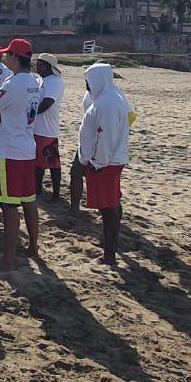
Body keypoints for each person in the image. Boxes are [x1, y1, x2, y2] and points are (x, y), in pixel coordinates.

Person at [0, 38, 42, 270]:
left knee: (9, 205)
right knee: (29, 201)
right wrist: (3, 116)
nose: (4, 57)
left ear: (16, 57)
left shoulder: (13, 83)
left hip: (11, 151)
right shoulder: (34, 82)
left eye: (7, 54)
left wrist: (0, 116)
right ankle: (33, 246)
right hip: (27, 146)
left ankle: (8, 257)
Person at [78, 63, 132, 267]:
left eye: (88, 82)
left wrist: (96, 162)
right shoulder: (113, 97)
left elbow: (105, 135)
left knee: (107, 208)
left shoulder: (106, 103)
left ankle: (109, 254)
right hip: (111, 159)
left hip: (105, 163)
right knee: (113, 203)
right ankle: (112, 246)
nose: (87, 86)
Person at [32, 53, 66, 200]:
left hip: (47, 129)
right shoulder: (40, 80)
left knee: (52, 161)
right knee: (38, 161)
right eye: (37, 64)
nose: (38, 67)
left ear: (49, 66)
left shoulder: (55, 82)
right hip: (36, 127)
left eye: (41, 64)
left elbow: (46, 104)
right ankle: (38, 187)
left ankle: (57, 192)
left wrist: (29, 114)